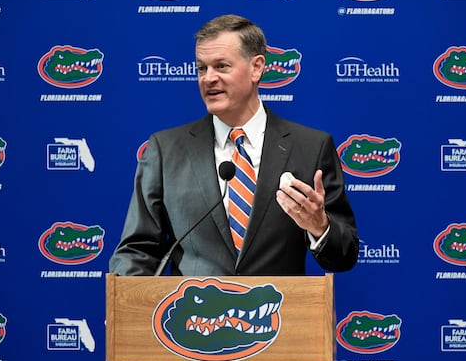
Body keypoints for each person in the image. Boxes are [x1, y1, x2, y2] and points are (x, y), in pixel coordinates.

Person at [109, 14, 358, 277]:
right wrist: (128, 308)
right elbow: (137, 250)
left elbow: (345, 255)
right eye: (201, 68)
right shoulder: (166, 149)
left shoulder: (311, 147)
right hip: (194, 313)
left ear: (257, 68)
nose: (208, 78)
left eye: (221, 66)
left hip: (276, 312)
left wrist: (319, 226)